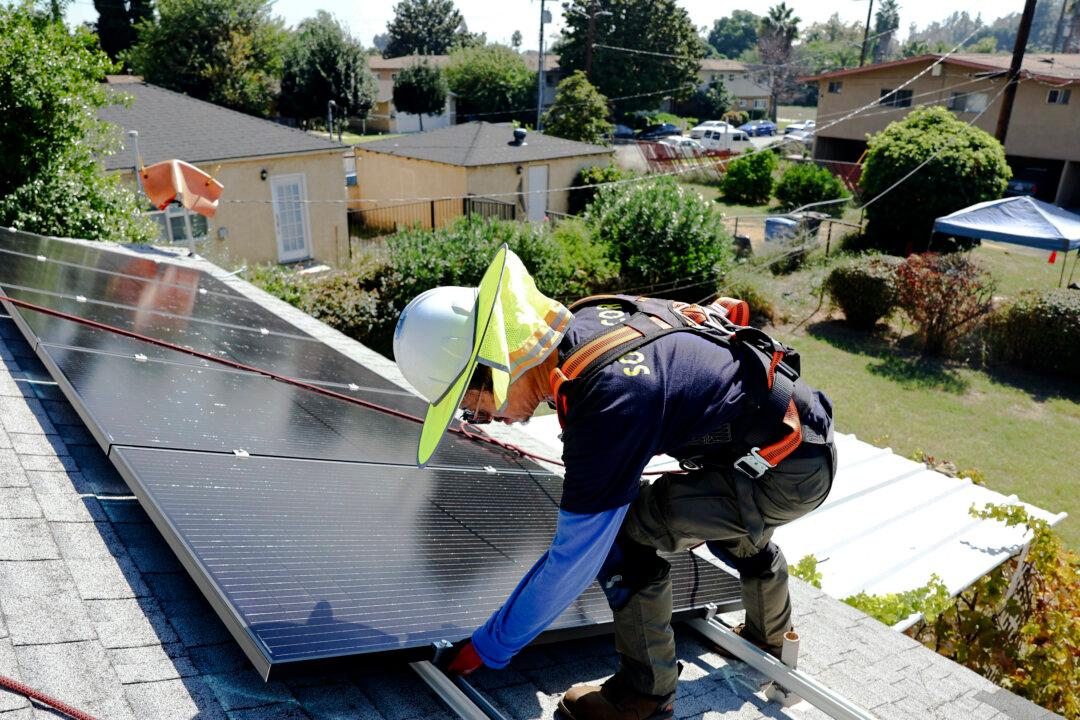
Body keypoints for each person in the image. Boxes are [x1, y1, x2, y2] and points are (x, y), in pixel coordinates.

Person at [393, 247, 835, 720]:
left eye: (470, 403)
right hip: (792, 437)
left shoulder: (605, 400)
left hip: (784, 470)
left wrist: (488, 647)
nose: (480, 419)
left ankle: (645, 694)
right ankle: (769, 634)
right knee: (706, 511)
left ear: (496, 365)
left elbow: (574, 560)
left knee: (624, 535)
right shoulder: (588, 321)